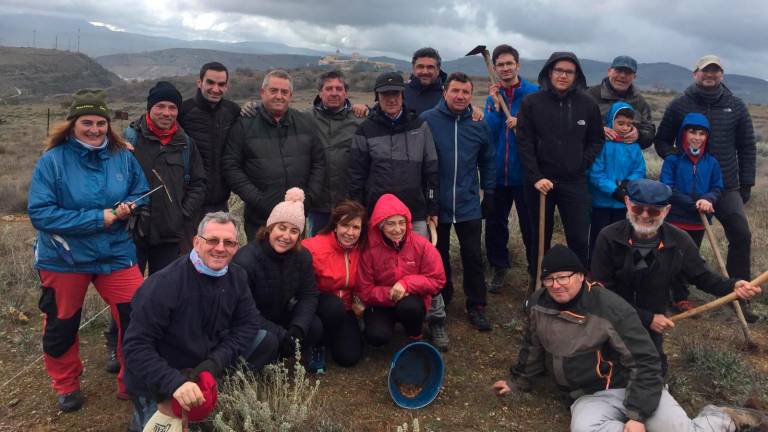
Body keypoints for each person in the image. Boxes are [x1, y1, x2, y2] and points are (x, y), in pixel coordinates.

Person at [493, 244, 767, 432]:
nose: (557, 285)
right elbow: (532, 347)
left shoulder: (610, 307)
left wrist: (637, 415)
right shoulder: (538, 305)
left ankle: (723, 417)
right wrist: (517, 382)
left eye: (564, 277)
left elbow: (646, 361)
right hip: (588, 396)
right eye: (549, 279)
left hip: (634, 387)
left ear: (580, 276)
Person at [27, 89, 149, 412]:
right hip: (64, 257)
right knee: (61, 324)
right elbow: (40, 212)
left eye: (101, 123)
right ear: (72, 124)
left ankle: (132, 379)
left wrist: (130, 206)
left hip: (116, 252)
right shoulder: (52, 160)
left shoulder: (123, 155)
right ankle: (66, 385)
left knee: (137, 314)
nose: (95, 129)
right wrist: (99, 217)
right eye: (87, 123)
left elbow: (141, 191)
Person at [124, 212, 278, 430]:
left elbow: (249, 324)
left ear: (236, 246)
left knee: (265, 340)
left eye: (229, 242)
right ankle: (149, 408)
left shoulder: (236, 276)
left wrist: (215, 362)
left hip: (203, 362)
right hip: (161, 376)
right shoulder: (163, 285)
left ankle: (214, 387)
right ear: (197, 242)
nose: (220, 248)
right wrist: (173, 383)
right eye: (212, 240)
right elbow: (135, 347)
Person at [590, 179, 759, 376]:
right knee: (605, 372)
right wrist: (647, 318)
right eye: (638, 208)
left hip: (653, 324)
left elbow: (702, 276)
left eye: (653, 211)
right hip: (612, 319)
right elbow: (602, 294)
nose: (644, 216)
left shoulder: (679, 240)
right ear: (627, 203)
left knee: (652, 375)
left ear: (666, 210)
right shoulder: (608, 237)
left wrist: (733, 286)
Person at [348, 71, 449, 350]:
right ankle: (377, 314)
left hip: (414, 213)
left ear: (403, 96)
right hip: (376, 216)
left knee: (426, 264)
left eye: (395, 94)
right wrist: (359, 213)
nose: (391, 99)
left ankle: (436, 320)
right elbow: (356, 174)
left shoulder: (420, 126)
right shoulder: (365, 130)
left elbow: (431, 168)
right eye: (385, 95)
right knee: (375, 265)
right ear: (377, 98)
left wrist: (432, 206)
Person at [654, 54, 758, 321]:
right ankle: (676, 292)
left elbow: (747, 146)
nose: (710, 75)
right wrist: (678, 162)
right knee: (681, 241)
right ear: (695, 73)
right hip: (686, 191)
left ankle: (738, 295)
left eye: (716, 71)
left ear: (721, 74)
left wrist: (746, 183)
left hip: (725, 186)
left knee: (740, 234)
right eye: (705, 71)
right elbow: (662, 140)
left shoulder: (735, 105)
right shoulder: (680, 104)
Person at [517, 51, 604, 271]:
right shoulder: (531, 102)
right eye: (559, 70)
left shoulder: (587, 104)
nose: (563, 75)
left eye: (569, 72)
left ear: (577, 75)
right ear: (549, 71)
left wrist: (581, 163)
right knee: (539, 237)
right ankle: (538, 281)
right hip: (539, 182)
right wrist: (535, 177)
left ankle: (578, 284)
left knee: (578, 237)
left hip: (574, 182)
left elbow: (596, 139)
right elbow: (524, 143)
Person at [421, 72, 495, 330]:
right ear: (445, 92)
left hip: (468, 202)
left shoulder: (478, 124)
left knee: (473, 255)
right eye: (455, 91)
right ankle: (443, 295)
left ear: (471, 95)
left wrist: (490, 191)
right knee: (437, 255)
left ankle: (477, 305)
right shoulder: (428, 120)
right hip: (435, 204)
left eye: (466, 92)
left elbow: (487, 161)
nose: (460, 96)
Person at [223, 69, 326, 241]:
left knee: (294, 264)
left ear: (290, 95)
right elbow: (231, 166)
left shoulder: (305, 123)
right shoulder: (244, 125)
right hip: (259, 218)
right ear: (262, 93)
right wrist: (259, 201)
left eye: (284, 92)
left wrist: (308, 199)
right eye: (274, 91)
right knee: (258, 264)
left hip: (296, 216)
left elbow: (319, 162)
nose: (279, 96)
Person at [232, 188, 323, 367]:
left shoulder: (302, 256)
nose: (286, 236)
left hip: (280, 314)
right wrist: (281, 334)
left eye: (294, 231)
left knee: (313, 325)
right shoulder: (245, 260)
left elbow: (309, 295)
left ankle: (287, 355)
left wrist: (297, 329)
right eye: (281, 228)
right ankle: (258, 363)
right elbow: (242, 311)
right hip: (252, 322)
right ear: (269, 228)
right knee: (270, 340)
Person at [126, 80, 206, 273]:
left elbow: (198, 184)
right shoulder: (129, 139)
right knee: (128, 296)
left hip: (169, 234)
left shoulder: (186, 144)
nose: (166, 112)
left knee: (163, 292)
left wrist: (181, 214)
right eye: (160, 106)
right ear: (149, 107)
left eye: (172, 107)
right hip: (132, 233)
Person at [483, 44, 539, 293]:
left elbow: (543, 134)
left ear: (518, 65)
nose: (505, 68)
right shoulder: (492, 97)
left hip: (525, 174)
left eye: (509, 63)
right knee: (495, 223)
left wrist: (523, 124)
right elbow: (489, 133)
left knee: (530, 225)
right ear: (494, 68)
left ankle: (535, 270)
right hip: (497, 174)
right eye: (500, 65)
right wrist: (496, 107)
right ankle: (498, 266)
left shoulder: (534, 95)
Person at [356, 194, 446, 347]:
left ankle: (415, 336)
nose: (397, 229)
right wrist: (391, 293)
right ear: (380, 225)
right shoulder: (369, 249)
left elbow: (437, 279)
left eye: (401, 223)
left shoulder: (421, 245)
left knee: (410, 307)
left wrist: (407, 284)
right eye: (390, 224)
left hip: (410, 300)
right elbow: (364, 290)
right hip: (381, 303)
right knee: (377, 337)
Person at [660, 114, 724, 312]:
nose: (697, 137)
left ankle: (680, 297)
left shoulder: (711, 162)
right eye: (692, 132)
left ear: (707, 137)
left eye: (701, 133)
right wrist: (693, 203)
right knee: (668, 258)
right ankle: (661, 295)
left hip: (698, 222)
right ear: (684, 134)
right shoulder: (673, 160)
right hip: (675, 220)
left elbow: (717, 186)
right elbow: (667, 188)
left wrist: (708, 200)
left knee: (688, 259)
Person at [303, 200, 367, 368]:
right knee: (334, 306)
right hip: (320, 305)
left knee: (349, 358)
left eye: (356, 227)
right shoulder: (314, 247)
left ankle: (335, 336)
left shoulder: (362, 248)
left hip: (346, 308)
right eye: (345, 225)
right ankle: (318, 343)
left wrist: (360, 302)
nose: (350, 232)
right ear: (335, 225)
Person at [306, 70, 366, 235]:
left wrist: (367, 108)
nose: (334, 93)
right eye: (329, 88)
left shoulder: (360, 120)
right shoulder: (305, 119)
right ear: (320, 92)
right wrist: (252, 107)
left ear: (346, 92)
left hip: (350, 202)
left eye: (339, 89)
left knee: (349, 248)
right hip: (318, 203)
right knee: (317, 251)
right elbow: (277, 112)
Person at [179, 62, 240, 219]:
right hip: (188, 203)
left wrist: (253, 108)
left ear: (227, 86)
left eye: (221, 84)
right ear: (199, 82)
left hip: (221, 201)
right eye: (210, 82)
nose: (215, 89)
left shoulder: (232, 111)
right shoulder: (183, 111)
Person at [588, 102, 646, 262]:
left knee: (622, 238)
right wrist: (614, 190)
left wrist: (628, 183)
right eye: (620, 123)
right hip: (601, 202)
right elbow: (595, 173)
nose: (625, 127)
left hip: (623, 203)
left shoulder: (634, 147)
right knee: (599, 237)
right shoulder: (601, 145)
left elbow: (639, 169)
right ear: (610, 121)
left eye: (629, 124)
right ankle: (595, 269)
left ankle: (618, 269)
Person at [587, 55, 655, 149]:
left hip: (627, 160)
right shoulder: (590, 96)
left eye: (628, 73)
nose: (622, 76)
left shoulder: (640, 102)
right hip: (594, 159)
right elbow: (575, 125)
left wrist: (639, 135)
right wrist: (596, 131)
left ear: (634, 77)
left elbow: (649, 132)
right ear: (609, 71)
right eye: (618, 71)